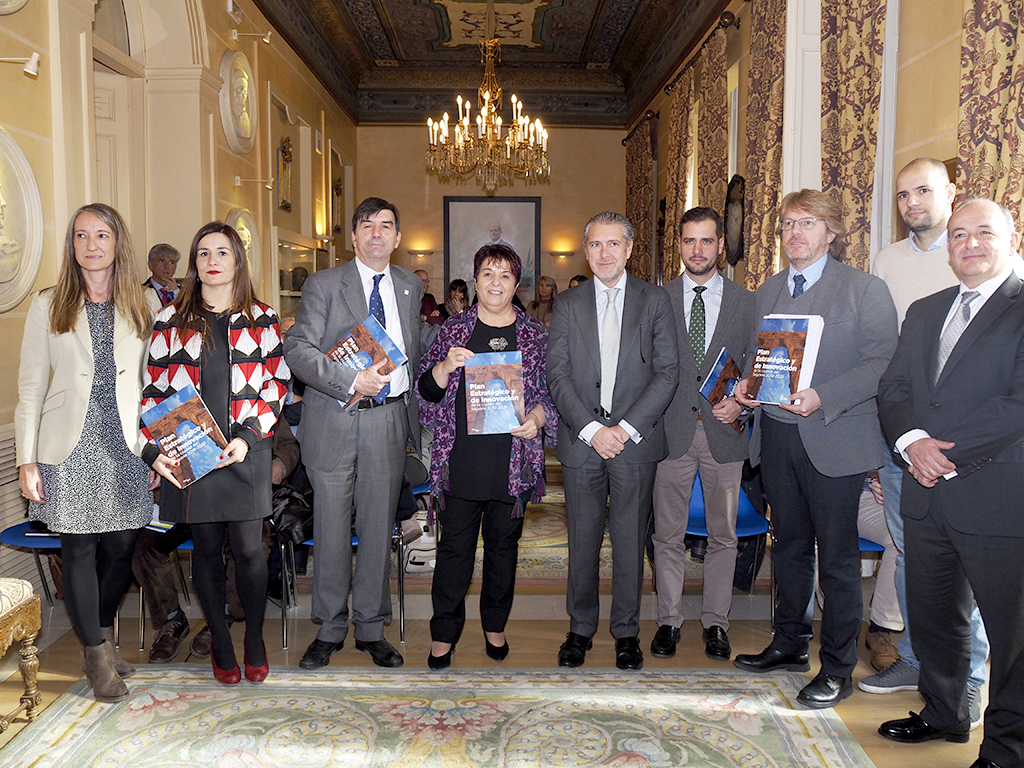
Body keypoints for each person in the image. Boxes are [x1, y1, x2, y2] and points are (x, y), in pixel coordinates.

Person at [733, 189, 898, 709]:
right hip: (777, 438)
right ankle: (788, 644)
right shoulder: (768, 291)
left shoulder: (865, 290)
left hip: (836, 438)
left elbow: (880, 365)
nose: (794, 234)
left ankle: (838, 668)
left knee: (839, 561)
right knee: (790, 549)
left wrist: (823, 395)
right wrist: (744, 389)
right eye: (786, 225)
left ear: (832, 233)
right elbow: (756, 359)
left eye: (806, 224)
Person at [877, 198, 1024, 768]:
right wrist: (910, 442)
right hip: (925, 492)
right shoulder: (924, 309)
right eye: (959, 234)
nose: (970, 244)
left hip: (998, 496)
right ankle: (944, 712)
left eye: (983, 233)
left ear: (1010, 238)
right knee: (936, 618)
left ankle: (1009, 748)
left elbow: (1018, 404)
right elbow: (894, 391)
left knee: (1011, 637)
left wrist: (938, 451)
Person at [861, 158, 989, 714]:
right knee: (912, 554)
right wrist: (888, 441)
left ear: (950, 193)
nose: (913, 202)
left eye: (924, 191)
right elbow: (882, 359)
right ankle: (915, 657)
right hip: (900, 438)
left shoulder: (981, 260)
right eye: (903, 194)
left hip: (965, 445)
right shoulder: (886, 261)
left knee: (970, 558)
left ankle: (971, 675)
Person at [15, 203, 156, 702]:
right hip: (66, 445)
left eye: (101, 234)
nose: (91, 244)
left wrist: (157, 450)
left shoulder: (144, 305)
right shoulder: (48, 304)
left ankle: (98, 635)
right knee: (77, 548)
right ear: (72, 246)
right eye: (80, 236)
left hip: (126, 443)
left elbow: (155, 386)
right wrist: (26, 459)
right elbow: (31, 386)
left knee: (121, 545)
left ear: (118, 242)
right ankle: (97, 656)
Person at [144, 221, 289, 685]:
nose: (212, 261)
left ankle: (254, 639)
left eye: (222, 252)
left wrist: (247, 436)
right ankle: (222, 643)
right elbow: (152, 392)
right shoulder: (170, 321)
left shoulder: (263, 318)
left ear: (236, 261)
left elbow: (276, 385)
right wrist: (154, 452)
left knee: (249, 549)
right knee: (205, 549)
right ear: (195, 263)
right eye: (203, 253)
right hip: (194, 451)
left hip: (246, 448)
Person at [283, 197, 425, 670]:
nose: (377, 234)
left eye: (387, 226)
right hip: (334, 422)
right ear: (354, 236)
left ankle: (370, 627)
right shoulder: (325, 284)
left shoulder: (409, 285)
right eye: (368, 226)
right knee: (329, 528)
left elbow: (415, 350)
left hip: (387, 421)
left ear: (398, 238)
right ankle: (328, 627)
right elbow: (298, 349)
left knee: (378, 526)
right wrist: (350, 380)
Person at [547, 211, 679, 671]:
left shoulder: (655, 300)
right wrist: (591, 430)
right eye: (596, 245)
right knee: (581, 542)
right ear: (587, 252)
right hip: (583, 442)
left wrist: (623, 430)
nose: (604, 253)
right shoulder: (567, 305)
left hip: (635, 443)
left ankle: (627, 633)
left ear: (628, 249)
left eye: (613, 244)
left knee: (628, 541)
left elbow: (667, 373)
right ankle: (579, 629)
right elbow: (557, 375)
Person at [417, 244, 557, 670]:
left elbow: (552, 394)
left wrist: (538, 415)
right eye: (487, 274)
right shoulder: (453, 329)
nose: (496, 283)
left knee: (503, 551)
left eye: (505, 276)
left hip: (511, 464)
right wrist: (442, 369)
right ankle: (444, 634)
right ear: (474, 280)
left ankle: (495, 626)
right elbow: (425, 397)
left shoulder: (535, 335)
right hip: (460, 461)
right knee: (455, 553)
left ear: (517, 284)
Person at [650, 207, 756, 663]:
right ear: (679, 246)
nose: (698, 250)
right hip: (670, 432)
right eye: (689, 241)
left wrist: (744, 397)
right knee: (667, 536)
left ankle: (716, 623)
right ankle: (668, 622)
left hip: (725, 433)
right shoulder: (658, 299)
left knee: (724, 536)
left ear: (721, 247)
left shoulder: (746, 302)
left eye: (707, 241)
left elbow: (758, 361)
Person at [132, 424, 300, 663]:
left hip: (242, 498)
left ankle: (223, 616)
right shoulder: (180, 396)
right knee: (144, 545)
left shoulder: (256, 394)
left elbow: (288, 446)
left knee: (249, 547)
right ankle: (172, 620)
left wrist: (279, 465)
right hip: (186, 495)